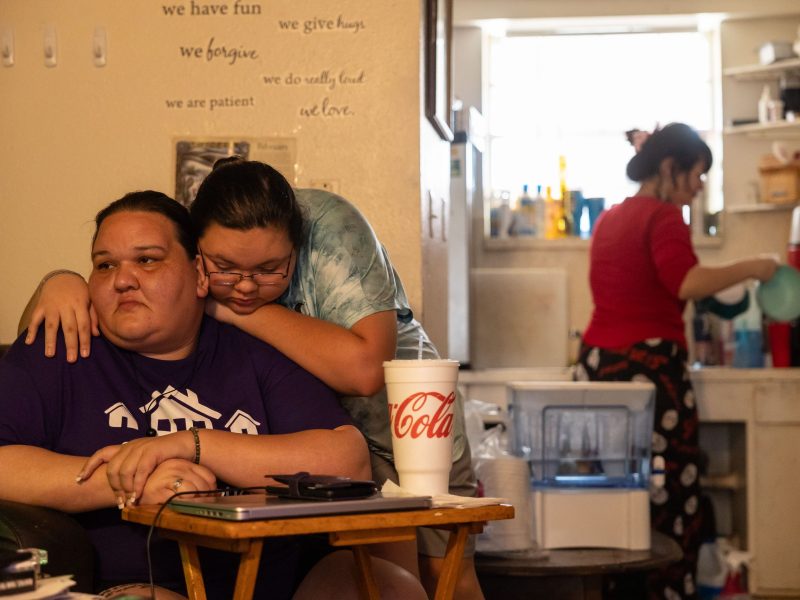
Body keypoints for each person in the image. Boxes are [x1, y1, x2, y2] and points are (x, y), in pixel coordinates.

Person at [21, 160, 483, 599]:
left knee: (410, 581)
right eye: (105, 265)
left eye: (147, 261)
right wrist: (128, 479)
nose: (244, 286)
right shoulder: (74, 339)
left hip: (394, 442)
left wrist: (192, 441)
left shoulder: (272, 327)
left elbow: (352, 428)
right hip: (143, 583)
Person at [575, 122, 779, 600]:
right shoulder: (664, 217)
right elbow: (684, 283)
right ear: (670, 169)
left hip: (597, 366)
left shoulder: (610, 217)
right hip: (650, 372)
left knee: (614, 498)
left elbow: (640, 286)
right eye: (697, 174)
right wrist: (755, 266)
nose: (701, 185)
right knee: (668, 500)